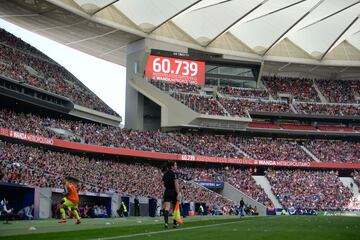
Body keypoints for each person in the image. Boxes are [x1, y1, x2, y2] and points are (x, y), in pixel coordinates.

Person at [162, 161, 181, 230]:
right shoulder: (174, 174)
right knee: (174, 208)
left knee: (166, 208)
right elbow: (176, 185)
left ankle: (166, 223)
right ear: (172, 166)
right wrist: (178, 193)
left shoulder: (165, 174)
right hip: (173, 192)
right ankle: (175, 223)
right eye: (175, 165)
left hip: (167, 191)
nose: (176, 166)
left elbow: (164, 184)